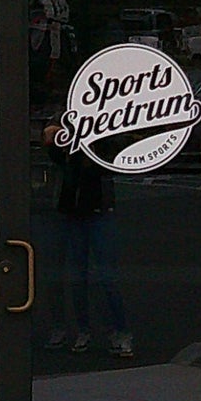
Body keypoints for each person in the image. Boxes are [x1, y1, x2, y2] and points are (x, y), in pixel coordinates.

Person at [43, 133, 133, 357]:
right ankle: (88, 330)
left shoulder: (102, 134)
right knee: (79, 277)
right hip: (75, 213)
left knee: (105, 277)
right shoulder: (68, 139)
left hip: (96, 211)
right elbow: (50, 142)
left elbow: (111, 157)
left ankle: (119, 332)